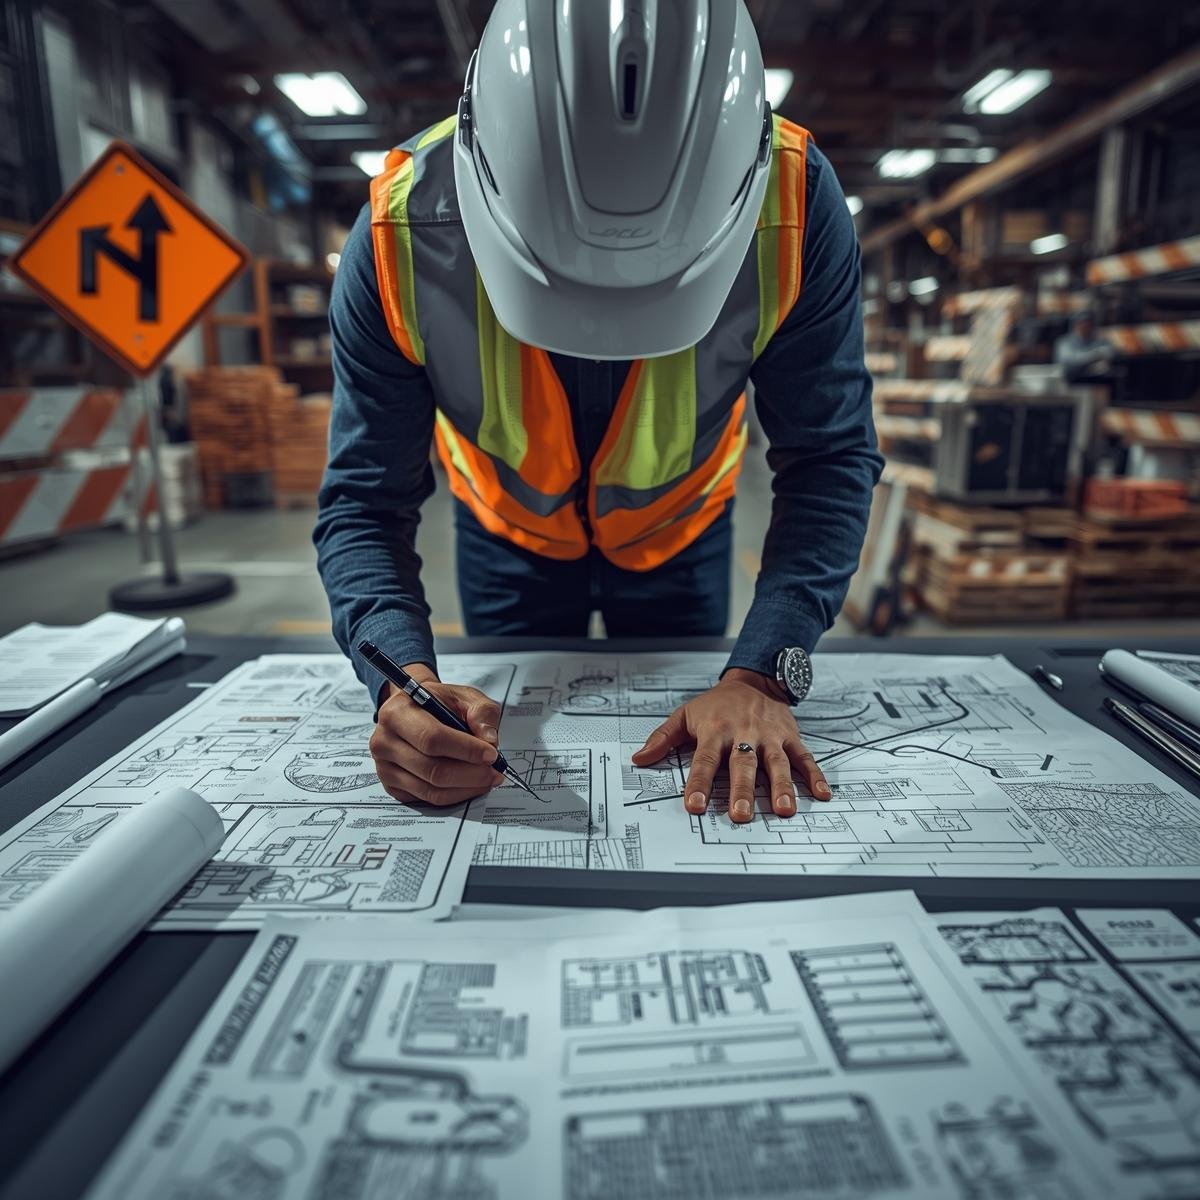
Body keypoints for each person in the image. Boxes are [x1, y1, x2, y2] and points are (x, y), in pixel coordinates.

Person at [315, 0, 882, 825]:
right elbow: (364, 498)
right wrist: (404, 681)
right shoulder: (400, 230)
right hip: (507, 538)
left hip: (679, 537)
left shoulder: (793, 205)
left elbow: (830, 459)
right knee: (470, 735)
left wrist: (762, 671)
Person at [1054, 312, 1114, 383]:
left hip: (1096, 381)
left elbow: (1110, 352)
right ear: (1076, 325)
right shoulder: (1065, 341)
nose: (1086, 327)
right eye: (1082, 324)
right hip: (1073, 382)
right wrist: (1095, 355)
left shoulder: (1099, 339)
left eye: (1089, 324)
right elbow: (1067, 361)